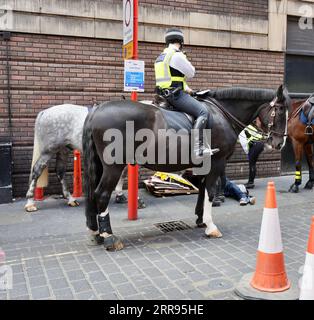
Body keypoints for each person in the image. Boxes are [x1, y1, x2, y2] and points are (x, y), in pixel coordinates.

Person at [154, 27, 219, 158]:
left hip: (162, 95)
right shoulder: (176, 55)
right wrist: (184, 57)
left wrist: (189, 90)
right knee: (203, 112)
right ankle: (198, 148)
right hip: (175, 96)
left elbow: (173, 79)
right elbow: (191, 72)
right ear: (180, 41)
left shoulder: (160, 57)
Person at [238, 118, 265, 189]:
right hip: (260, 144)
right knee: (253, 163)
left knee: (252, 163)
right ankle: (251, 182)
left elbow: (244, 143)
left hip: (255, 145)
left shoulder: (242, 130)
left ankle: (250, 183)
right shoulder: (250, 127)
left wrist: (247, 152)